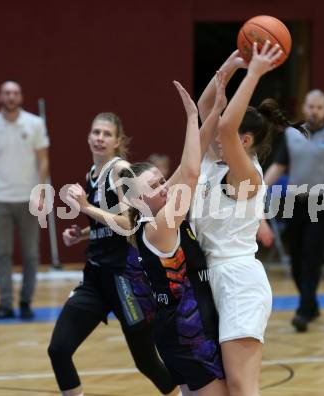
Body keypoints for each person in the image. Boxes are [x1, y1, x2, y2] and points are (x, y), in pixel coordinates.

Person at [47, 113, 176, 396]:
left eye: (107, 134)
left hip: (124, 280)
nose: (100, 138)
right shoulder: (92, 174)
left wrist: (85, 208)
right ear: (88, 136)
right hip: (95, 278)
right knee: (58, 349)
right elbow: (106, 222)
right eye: (96, 132)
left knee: (147, 363)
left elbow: (129, 224)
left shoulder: (120, 170)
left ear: (118, 141)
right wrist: (81, 233)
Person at [120, 77, 228, 396]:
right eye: (153, 187)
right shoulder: (159, 225)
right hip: (188, 335)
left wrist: (213, 112)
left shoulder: (160, 208)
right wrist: (191, 117)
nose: (164, 186)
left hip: (183, 329)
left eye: (161, 179)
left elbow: (187, 163)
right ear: (138, 201)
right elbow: (192, 172)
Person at [193, 42, 283, 396]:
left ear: (245, 141)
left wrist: (256, 72)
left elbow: (225, 125)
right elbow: (207, 109)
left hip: (238, 280)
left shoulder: (247, 174)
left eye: (227, 134)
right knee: (218, 388)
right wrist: (230, 65)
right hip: (207, 277)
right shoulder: (211, 160)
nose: (215, 131)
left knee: (242, 386)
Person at [264, 89, 324, 332]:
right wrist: (258, 189)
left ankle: (303, 312)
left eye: (319, 107)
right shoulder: (293, 134)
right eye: (311, 106)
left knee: (311, 258)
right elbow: (278, 166)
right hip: (295, 202)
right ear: (304, 108)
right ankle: (311, 304)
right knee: (295, 259)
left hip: (321, 203)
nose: (314, 111)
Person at [0, 80, 50, 319]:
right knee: (3, 254)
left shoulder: (35, 124)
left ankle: (26, 302)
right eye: (7, 93)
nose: (11, 97)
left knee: (30, 255)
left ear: (21, 97)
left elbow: (43, 160)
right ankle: (5, 304)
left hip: (29, 198)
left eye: (15, 93)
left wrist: (40, 192)